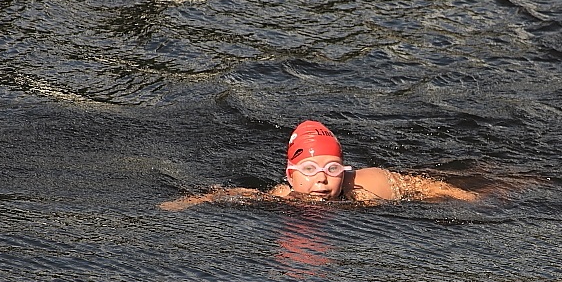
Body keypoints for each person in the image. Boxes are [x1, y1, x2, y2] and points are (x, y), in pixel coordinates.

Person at [160, 120, 478, 210]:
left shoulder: (370, 185)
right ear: (291, 176)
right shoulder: (283, 196)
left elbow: (423, 185)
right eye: (310, 171)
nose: (323, 181)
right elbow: (233, 193)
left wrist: (469, 198)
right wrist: (192, 200)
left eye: (333, 169)